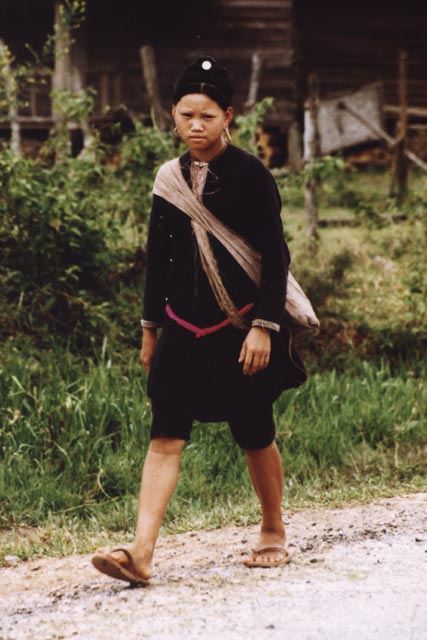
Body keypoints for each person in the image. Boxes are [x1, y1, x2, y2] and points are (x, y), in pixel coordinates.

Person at [92, 56, 306, 586]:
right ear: (173, 114)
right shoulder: (169, 179)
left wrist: (264, 326)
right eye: (186, 114)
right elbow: (157, 259)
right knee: (165, 434)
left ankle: (273, 529)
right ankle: (141, 553)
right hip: (181, 331)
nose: (196, 125)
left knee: (254, 431)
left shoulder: (251, 175)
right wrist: (149, 330)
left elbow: (275, 258)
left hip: (241, 330)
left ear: (227, 116)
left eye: (207, 115)